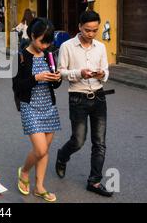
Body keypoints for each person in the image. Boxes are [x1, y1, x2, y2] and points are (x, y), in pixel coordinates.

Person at [55, 10, 113, 197]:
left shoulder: (101, 47)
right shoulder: (67, 46)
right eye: (87, 30)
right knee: (78, 141)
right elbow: (60, 72)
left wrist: (102, 74)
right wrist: (79, 73)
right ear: (80, 27)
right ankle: (62, 156)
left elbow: (105, 70)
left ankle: (94, 181)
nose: (91, 33)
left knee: (100, 142)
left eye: (94, 30)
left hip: (99, 96)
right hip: (77, 98)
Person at [13, 18, 62, 202]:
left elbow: (55, 85)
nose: (46, 45)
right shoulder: (21, 57)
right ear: (32, 36)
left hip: (48, 105)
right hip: (30, 106)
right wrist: (37, 77)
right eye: (42, 41)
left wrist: (56, 78)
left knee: (45, 150)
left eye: (49, 42)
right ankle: (24, 171)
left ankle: (39, 187)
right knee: (40, 149)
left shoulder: (49, 55)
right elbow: (17, 86)